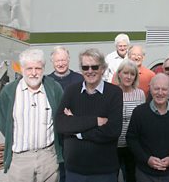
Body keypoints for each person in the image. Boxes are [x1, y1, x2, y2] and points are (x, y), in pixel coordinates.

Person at [55, 48, 123, 182]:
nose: (90, 71)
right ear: (81, 70)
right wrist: (96, 121)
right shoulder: (71, 91)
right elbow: (61, 124)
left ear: (103, 69)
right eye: (85, 67)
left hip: (104, 171)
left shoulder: (114, 93)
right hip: (75, 171)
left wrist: (77, 129)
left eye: (94, 67)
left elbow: (113, 130)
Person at [0, 48, 63, 182]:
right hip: (20, 160)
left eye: (38, 68)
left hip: (48, 157)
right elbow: (4, 124)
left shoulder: (54, 88)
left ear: (43, 68)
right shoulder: (9, 92)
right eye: (29, 68)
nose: (34, 73)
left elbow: (61, 119)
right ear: (22, 69)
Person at [126, 73, 169, 182]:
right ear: (150, 89)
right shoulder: (139, 112)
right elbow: (131, 139)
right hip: (145, 173)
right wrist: (147, 159)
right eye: (156, 89)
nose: (160, 93)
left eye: (164, 89)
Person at [47, 46, 83, 182]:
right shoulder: (47, 81)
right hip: (55, 133)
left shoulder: (79, 79)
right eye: (57, 61)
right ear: (52, 62)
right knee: (59, 168)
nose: (61, 64)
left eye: (63, 60)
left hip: (76, 132)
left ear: (68, 60)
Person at [115, 59, 146, 182]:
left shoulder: (140, 94)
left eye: (132, 74)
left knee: (131, 176)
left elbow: (142, 121)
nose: (128, 77)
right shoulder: (112, 92)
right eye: (125, 73)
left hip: (133, 145)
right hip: (115, 144)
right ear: (119, 74)